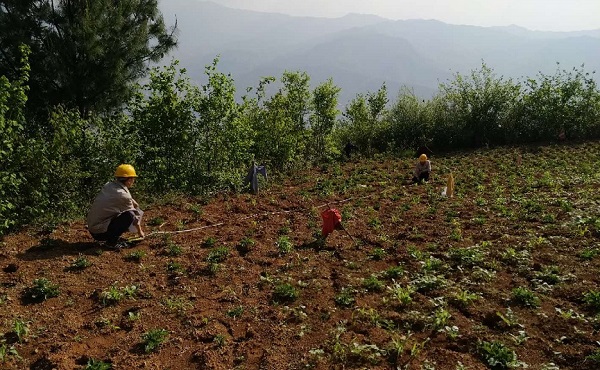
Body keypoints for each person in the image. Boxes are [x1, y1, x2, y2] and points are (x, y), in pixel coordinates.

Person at [87, 164, 145, 249]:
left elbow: (126, 199)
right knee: (130, 215)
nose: (133, 181)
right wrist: (140, 232)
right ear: (128, 180)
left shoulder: (109, 185)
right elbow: (135, 217)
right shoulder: (123, 195)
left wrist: (134, 203)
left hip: (93, 228)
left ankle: (111, 236)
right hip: (99, 233)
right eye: (133, 179)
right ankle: (111, 243)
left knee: (123, 213)